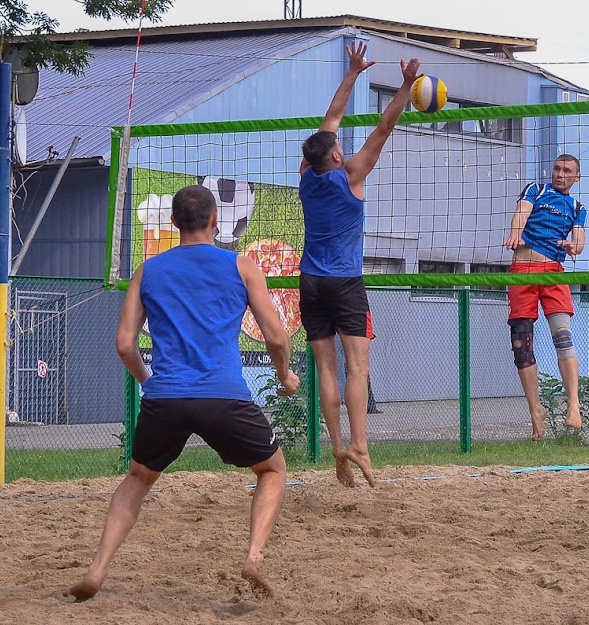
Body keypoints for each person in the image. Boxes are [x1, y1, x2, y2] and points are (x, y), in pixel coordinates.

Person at [66, 185, 300, 602]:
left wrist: (148, 382)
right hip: (223, 397)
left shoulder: (149, 270)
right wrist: (284, 375)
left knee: (137, 479)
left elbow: (124, 344)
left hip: (165, 398)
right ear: (215, 222)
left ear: (173, 224)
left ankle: (97, 569)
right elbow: (277, 337)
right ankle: (253, 556)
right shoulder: (242, 267)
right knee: (273, 471)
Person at [298, 40, 419, 487]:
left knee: (326, 370)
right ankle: (361, 446)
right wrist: (405, 86)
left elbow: (329, 121)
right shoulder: (351, 176)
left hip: (310, 282)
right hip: (345, 283)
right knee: (357, 368)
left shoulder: (307, 177)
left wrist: (352, 73)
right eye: (338, 145)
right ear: (334, 156)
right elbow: (384, 128)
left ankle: (336, 449)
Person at [503, 154, 587, 441]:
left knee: (562, 338)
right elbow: (521, 213)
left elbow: (579, 241)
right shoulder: (536, 190)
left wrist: (572, 246)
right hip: (523, 269)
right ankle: (535, 411)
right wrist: (515, 234)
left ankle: (573, 404)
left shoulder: (577, 208)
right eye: (557, 169)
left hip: (552, 270)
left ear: (577, 178)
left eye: (566, 171)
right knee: (521, 345)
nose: (560, 174)